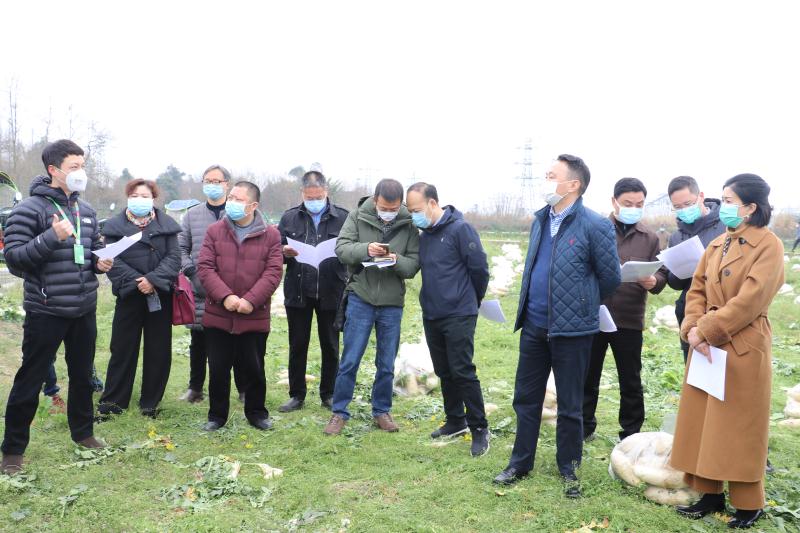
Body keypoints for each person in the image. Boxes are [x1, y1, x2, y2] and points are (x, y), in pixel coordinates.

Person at [493, 154, 621, 498]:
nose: (545, 180)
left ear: (573, 184)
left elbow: (610, 278)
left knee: (570, 404)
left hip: (572, 330)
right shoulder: (540, 220)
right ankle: (520, 463)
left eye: (551, 176)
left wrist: (580, 302)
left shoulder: (594, 225)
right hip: (534, 325)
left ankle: (569, 467)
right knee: (526, 398)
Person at [671, 174, 784, 529]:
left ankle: (749, 504)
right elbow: (696, 290)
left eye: (730, 200)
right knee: (706, 421)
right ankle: (709, 493)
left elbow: (751, 299)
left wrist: (706, 330)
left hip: (743, 345)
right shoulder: (718, 243)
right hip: (706, 346)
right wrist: (693, 327)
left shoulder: (768, 245)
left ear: (750, 207)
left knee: (740, 426)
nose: (724, 206)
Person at [1, 139, 113, 474]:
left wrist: (100, 263)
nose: (81, 172)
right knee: (30, 378)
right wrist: (51, 237)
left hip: (83, 308)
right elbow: (14, 260)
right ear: (54, 170)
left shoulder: (86, 210)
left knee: (82, 375)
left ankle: (83, 433)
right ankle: (13, 451)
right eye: (74, 167)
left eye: (83, 166)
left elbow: (92, 251)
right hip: (46, 309)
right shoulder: (29, 210)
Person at [323, 179, 420, 435]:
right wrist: (366, 249)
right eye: (384, 207)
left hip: (392, 303)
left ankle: (382, 411)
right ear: (375, 200)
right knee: (350, 360)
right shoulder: (357, 216)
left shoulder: (409, 223)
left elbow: (413, 265)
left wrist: (395, 259)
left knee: (386, 363)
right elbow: (342, 249)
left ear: (400, 204)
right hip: (361, 297)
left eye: (394, 208)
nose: (389, 213)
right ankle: (339, 412)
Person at [406, 182, 491, 457]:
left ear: (432, 203)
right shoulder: (425, 235)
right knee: (443, 370)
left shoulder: (460, 229)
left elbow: (479, 269)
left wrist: (470, 300)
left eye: (416, 209)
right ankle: (455, 420)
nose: (414, 215)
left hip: (459, 312)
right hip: (432, 312)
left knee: (462, 370)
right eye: (410, 211)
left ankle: (479, 427)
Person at [582, 178, 667, 441]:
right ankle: (583, 427)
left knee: (630, 380)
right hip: (594, 316)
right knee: (588, 376)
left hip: (629, 318)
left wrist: (654, 281)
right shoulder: (595, 229)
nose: (634, 208)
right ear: (614, 202)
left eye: (639, 204)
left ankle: (630, 433)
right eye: (628, 203)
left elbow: (661, 273)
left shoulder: (650, 238)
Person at [197, 181, 283, 431]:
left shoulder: (271, 235)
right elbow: (205, 267)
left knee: (254, 367)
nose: (232, 203)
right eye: (231, 197)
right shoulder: (215, 231)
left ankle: (257, 413)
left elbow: (273, 272)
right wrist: (225, 296)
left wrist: (251, 300)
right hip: (218, 312)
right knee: (218, 368)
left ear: (253, 205)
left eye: (238, 199)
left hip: (253, 315)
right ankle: (216, 415)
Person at [97, 179, 181, 418]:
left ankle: (150, 403)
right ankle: (113, 402)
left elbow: (174, 258)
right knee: (122, 349)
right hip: (129, 295)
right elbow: (111, 260)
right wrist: (137, 281)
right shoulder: (114, 226)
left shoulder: (167, 225)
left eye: (145, 196)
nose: (139, 200)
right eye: (134, 195)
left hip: (159, 294)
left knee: (158, 350)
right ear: (127, 197)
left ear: (153, 199)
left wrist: (152, 279)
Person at [277, 171, 348, 412]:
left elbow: (351, 250)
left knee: (331, 344)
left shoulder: (343, 218)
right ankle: (297, 394)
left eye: (318, 197)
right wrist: (284, 252)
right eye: (309, 197)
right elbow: (274, 250)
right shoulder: (289, 218)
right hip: (299, 290)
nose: (314, 201)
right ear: (302, 193)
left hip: (332, 289)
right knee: (298, 344)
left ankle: (329, 393)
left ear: (326, 192)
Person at [177, 164, 245, 403]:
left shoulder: (239, 212)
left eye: (217, 181)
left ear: (227, 184)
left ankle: (244, 389)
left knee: (237, 340)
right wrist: (192, 272)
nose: (212, 185)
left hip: (234, 288)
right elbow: (180, 248)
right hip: (201, 287)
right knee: (199, 341)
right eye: (208, 181)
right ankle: (195, 388)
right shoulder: (192, 215)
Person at [665, 176, 726, 363]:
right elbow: (674, 283)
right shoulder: (676, 237)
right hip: (690, 309)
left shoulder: (725, 227)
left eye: (688, 204)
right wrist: (679, 271)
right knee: (693, 366)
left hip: (721, 306)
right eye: (678, 207)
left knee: (722, 365)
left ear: (701, 196)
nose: (684, 210)